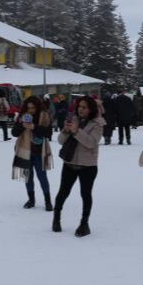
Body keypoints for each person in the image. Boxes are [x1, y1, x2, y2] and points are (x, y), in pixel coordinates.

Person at [53, 96, 104, 236]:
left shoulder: (98, 123)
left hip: (88, 165)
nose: (80, 109)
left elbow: (91, 143)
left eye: (84, 107)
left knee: (85, 194)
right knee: (63, 192)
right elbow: (60, 141)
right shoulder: (73, 119)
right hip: (70, 163)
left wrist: (76, 131)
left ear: (91, 109)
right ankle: (56, 218)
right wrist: (65, 131)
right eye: (79, 106)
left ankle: (84, 223)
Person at [12, 95, 53, 210]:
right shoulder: (22, 117)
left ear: (38, 107)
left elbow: (48, 133)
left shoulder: (44, 116)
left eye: (33, 107)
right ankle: (31, 200)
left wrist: (34, 127)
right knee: (28, 177)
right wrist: (22, 126)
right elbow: (14, 133)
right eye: (29, 107)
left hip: (40, 152)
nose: (31, 110)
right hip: (25, 152)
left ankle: (48, 201)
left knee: (42, 177)